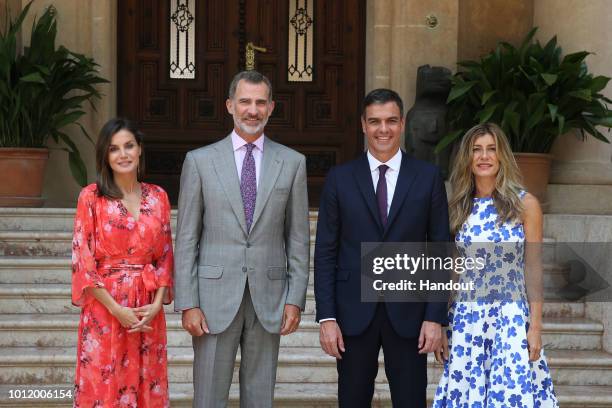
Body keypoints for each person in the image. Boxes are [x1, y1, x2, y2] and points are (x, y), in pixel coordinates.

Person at [173, 70, 310, 407]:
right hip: (212, 299)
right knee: (208, 397)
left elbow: (297, 239)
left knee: (260, 397)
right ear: (229, 105)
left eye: (260, 102)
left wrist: (295, 297)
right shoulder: (200, 161)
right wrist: (188, 302)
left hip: (269, 297)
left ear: (272, 107)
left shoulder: (292, 163)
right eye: (245, 101)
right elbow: (187, 237)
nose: (253, 110)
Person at [314, 88, 450, 407]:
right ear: (363, 125)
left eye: (391, 120)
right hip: (352, 314)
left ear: (402, 123)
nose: (383, 129)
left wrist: (435, 316)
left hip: (410, 314)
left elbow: (441, 251)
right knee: (352, 401)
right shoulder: (340, 178)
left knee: (411, 401)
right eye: (374, 121)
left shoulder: (428, 177)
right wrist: (327, 317)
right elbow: (326, 253)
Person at [432, 123, 558, 407]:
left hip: (510, 318)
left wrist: (535, 326)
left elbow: (533, 268)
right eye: (477, 150)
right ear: (468, 157)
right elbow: (452, 272)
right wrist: (441, 324)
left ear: (502, 156)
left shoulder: (526, 205)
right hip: (466, 318)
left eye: (491, 149)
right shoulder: (458, 208)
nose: (484, 156)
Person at [71, 118, 174, 407]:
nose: (123, 154)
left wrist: (156, 305)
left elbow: (165, 255)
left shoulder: (158, 196)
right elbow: (83, 260)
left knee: (147, 381)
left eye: (129, 146)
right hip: (106, 308)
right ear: (105, 155)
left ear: (140, 150)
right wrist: (117, 309)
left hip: (147, 309)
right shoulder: (91, 197)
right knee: (105, 384)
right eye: (114, 149)